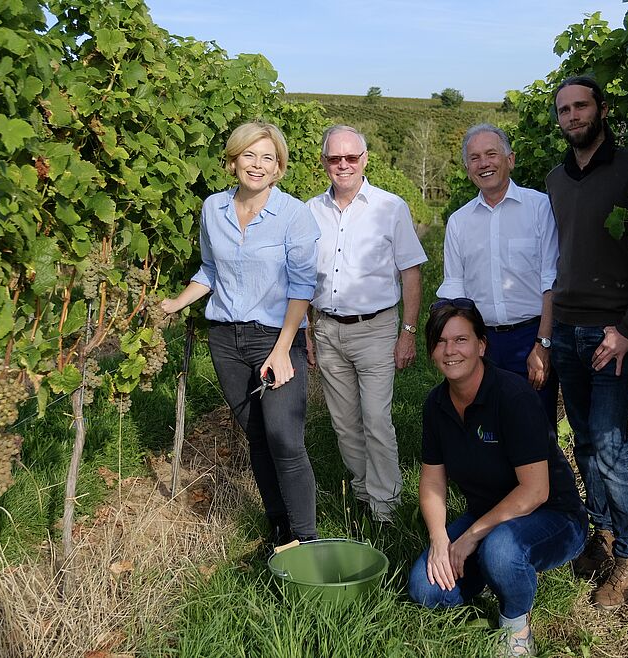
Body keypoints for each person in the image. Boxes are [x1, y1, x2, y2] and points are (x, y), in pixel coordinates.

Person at [160, 121, 320, 545]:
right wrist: (176, 302)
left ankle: (306, 540)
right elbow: (210, 269)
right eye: (250, 155)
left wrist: (285, 348)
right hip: (226, 341)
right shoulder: (213, 208)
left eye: (268, 157)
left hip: (275, 338)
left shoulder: (294, 215)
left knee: (284, 438)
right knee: (257, 437)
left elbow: (303, 287)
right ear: (233, 160)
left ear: (279, 167)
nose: (258, 164)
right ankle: (279, 530)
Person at [408, 299, 587, 657]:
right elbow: (431, 482)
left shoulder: (512, 395)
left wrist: (471, 537)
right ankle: (494, 573)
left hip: (554, 517)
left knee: (501, 551)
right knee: (425, 591)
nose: (450, 350)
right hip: (490, 512)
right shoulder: (436, 404)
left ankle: (516, 628)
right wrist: (441, 539)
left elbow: (535, 491)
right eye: (440, 342)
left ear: (481, 346)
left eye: (461, 340)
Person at [546, 76, 628, 609]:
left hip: (612, 331)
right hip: (567, 327)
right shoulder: (554, 179)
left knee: (612, 444)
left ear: (601, 109)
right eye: (564, 110)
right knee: (587, 443)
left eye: (581, 106)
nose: (573, 115)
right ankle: (603, 536)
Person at [306, 125, 427, 523]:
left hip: (375, 329)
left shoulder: (390, 207)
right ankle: (362, 490)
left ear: (365, 159)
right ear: (324, 162)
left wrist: (407, 333)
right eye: (334, 158)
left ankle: (387, 508)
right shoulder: (310, 211)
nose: (343, 165)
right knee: (343, 423)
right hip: (326, 329)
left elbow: (411, 272)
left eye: (351, 157)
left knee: (376, 418)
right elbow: (303, 276)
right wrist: (308, 329)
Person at [436, 124, 559, 428]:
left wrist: (542, 343)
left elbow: (551, 281)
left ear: (510, 160)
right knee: (487, 435)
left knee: (537, 433)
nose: (484, 163)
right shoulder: (459, 222)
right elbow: (455, 293)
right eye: (475, 158)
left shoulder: (540, 207)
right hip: (482, 344)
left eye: (491, 154)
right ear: (468, 169)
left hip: (530, 339)